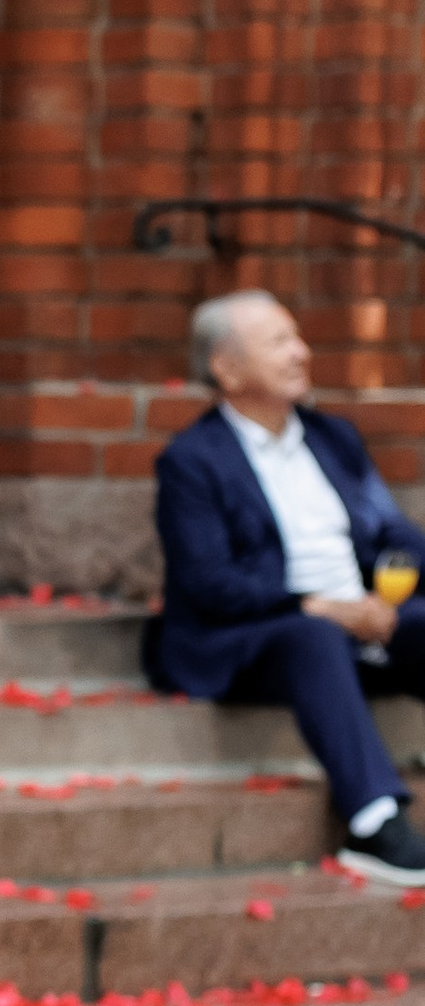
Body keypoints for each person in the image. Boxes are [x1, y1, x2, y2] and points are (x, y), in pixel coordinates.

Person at [149, 288, 425, 888]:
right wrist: (320, 607)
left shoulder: (334, 440)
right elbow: (208, 583)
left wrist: (386, 595)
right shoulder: (192, 461)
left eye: (298, 338)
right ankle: (375, 823)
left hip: (362, 618)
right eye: (279, 341)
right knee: (313, 637)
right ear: (226, 369)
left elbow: (392, 534)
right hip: (256, 636)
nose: (301, 353)